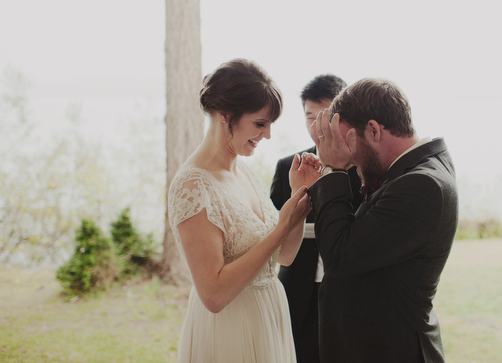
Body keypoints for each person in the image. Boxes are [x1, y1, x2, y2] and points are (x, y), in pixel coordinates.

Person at [167, 59, 320, 363]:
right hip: (229, 329)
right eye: (260, 124)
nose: (268, 135)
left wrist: (298, 198)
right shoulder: (192, 186)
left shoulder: (244, 172)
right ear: (225, 115)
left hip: (268, 315)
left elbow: (285, 256)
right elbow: (213, 295)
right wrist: (280, 226)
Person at [305, 78, 459, 362]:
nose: (349, 158)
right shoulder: (413, 171)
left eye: (347, 142)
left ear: (373, 130)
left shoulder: (421, 185)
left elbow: (339, 255)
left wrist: (333, 169)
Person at [270, 74, 363, 363]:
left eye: (323, 116)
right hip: (298, 292)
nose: (316, 125)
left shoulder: (363, 169)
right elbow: (272, 229)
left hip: (351, 295)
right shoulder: (290, 166)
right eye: (310, 116)